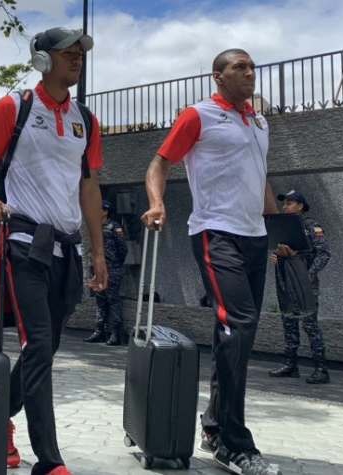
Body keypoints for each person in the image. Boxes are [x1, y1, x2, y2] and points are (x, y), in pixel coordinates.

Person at [141, 49, 281, 475]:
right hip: (215, 233)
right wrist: (157, 202)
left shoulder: (259, 122)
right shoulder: (198, 115)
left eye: (252, 67)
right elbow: (159, 163)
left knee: (236, 336)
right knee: (238, 324)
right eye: (240, 67)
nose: (250, 73)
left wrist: (281, 224)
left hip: (256, 235)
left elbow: (259, 175)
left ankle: (216, 425)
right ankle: (235, 445)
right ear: (218, 76)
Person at [0, 27, 106, 475]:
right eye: (67, 52)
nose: (76, 58)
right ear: (42, 59)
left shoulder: (86, 120)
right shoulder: (14, 107)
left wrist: (98, 252)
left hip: (67, 249)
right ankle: (50, 462)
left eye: (80, 53)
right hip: (25, 242)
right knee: (38, 343)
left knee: (43, 351)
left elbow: (89, 188)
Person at [268, 190, 331, 384]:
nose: (285, 206)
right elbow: (279, 250)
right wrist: (276, 257)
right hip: (286, 282)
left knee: (310, 325)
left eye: (289, 203)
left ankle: (321, 369)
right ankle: (290, 365)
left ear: (301, 206)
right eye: (284, 203)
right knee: (288, 322)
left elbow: (324, 254)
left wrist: (309, 275)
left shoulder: (311, 226)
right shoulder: (283, 227)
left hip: (305, 285)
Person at [84, 200, 128, 345]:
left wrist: (114, 263)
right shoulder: (95, 226)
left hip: (112, 268)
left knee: (113, 299)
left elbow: (123, 249)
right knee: (100, 300)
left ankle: (115, 333)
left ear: (105, 211)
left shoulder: (114, 227)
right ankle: (99, 331)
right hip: (97, 269)